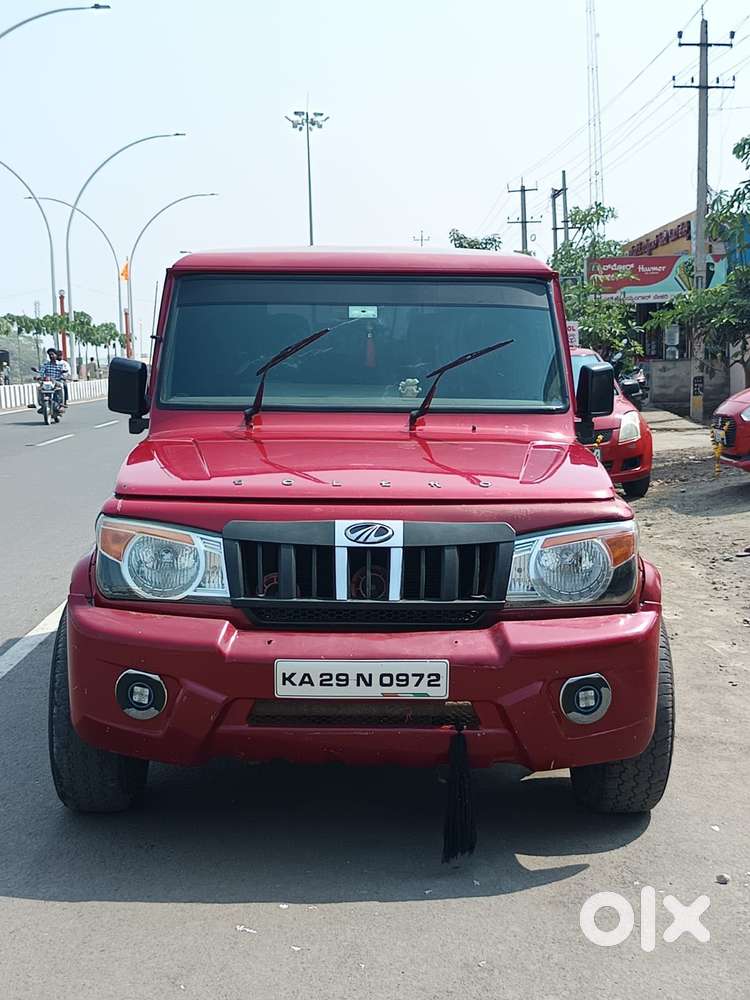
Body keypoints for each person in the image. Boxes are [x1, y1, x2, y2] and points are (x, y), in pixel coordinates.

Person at [36, 348, 67, 413]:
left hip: (56, 381)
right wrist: (39, 377)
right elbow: (41, 372)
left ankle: (61, 405)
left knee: (61, 386)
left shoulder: (61, 364)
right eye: (50, 355)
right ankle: (41, 404)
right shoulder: (46, 364)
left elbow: (64, 372)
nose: (51, 356)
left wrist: (63, 376)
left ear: (56, 355)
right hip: (47, 382)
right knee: (39, 388)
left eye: (52, 354)